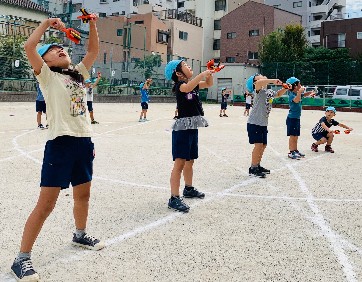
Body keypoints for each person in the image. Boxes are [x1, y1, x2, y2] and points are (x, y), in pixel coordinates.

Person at [11, 16, 104, 282]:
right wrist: (48, 24)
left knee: (83, 195)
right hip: (60, 143)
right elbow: (30, 47)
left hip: (83, 141)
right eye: (52, 50)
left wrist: (93, 24)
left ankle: (80, 234)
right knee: (46, 204)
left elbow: (93, 51)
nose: (60, 49)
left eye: (60, 48)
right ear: (45, 62)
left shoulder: (77, 75)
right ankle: (22, 259)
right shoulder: (48, 77)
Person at [165, 59, 213, 212]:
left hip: (192, 127)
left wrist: (209, 72)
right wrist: (202, 74)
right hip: (182, 129)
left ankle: (188, 188)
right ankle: (174, 197)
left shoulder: (193, 85)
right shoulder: (180, 86)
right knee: (179, 163)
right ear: (178, 73)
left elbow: (209, 84)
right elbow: (187, 88)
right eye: (185, 65)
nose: (188, 66)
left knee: (190, 160)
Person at [246, 73, 288, 178]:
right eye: (258, 76)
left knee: (263, 145)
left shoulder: (268, 91)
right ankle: (253, 168)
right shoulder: (258, 90)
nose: (262, 76)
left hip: (263, 123)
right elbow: (260, 83)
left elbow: (278, 94)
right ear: (255, 82)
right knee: (258, 145)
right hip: (255, 122)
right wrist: (273, 80)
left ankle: (258, 164)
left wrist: (285, 88)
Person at [285, 77, 315, 160]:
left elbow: (303, 95)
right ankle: (291, 152)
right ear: (294, 86)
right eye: (299, 85)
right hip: (292, 119)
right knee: (292, 136)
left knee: (296, 135)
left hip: (296, 118)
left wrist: (310, 92)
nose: (300, 86)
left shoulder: (296, 94)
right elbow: (296, 100)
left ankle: (295, 150)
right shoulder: (291, 95)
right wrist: (299, 92)